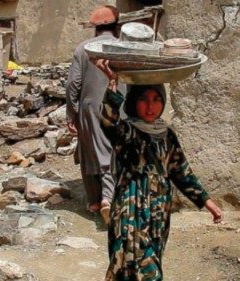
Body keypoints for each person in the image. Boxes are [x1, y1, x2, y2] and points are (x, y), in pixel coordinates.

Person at [95, 59, 223, 281]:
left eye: (156, 99)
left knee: (152, 257)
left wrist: (207, 202)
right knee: (130, 265)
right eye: (143, 99)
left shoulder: (167, 135)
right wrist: (113, 86)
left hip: (158, 213)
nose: (150, 106)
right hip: (130, 209)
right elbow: (108, 122)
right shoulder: (128, 132)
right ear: (134, 102)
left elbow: (181, 171)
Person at [66, 5, 125, 222]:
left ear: (95, 29)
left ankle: (98, 200)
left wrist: (71, 114)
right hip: (119, 106)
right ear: (117, 26)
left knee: (89, 150)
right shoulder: (125, 47)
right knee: (110, 149)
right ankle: (106, 199)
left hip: (89, 108)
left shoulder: (82, 49)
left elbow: (73, 84)